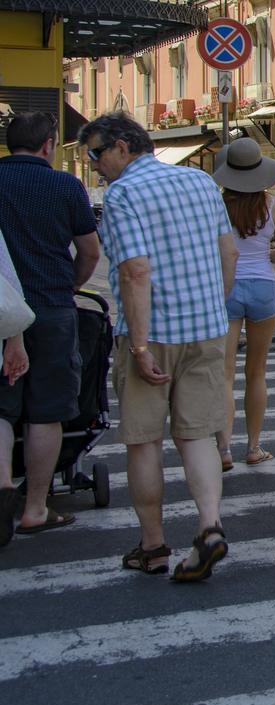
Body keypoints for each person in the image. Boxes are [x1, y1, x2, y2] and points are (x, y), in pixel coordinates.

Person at [80, 112, 238, 581]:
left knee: (144, 439)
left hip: (152, 334)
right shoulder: (201, 182)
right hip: (206, 328)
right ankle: (209, 528)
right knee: (198, 434)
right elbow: (228, 252)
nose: (94, 165)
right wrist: (214, 306)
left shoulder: (123, 193)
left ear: (122, 147)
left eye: (96, 154)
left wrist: (139, 347)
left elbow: (135, 272)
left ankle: (152, 547)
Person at [0, 112, 101, 545]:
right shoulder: (65, 185)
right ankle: (35, 509)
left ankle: (2, 487)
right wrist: (69, 286)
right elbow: (90, 252)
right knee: (48, 409)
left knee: (1, 406)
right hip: (51, 308)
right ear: (48, 145)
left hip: (1, 311)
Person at [212, 138, 275, 470]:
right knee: (257, 372)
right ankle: (254, 447)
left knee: (225, 374)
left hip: (226, 287)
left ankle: (223, 449)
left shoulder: (216, 205)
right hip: (263, 288)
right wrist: (263, 252)